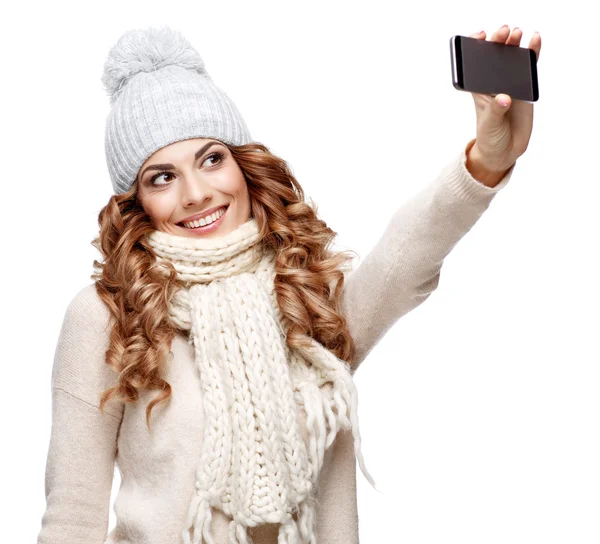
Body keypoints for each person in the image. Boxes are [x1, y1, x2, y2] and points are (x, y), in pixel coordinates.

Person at [37, 24, 542, 544]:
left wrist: (488, 160)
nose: (196, 193)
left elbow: (404, 259)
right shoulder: (108, 314)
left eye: (212, 159)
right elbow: (73, 516)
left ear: (244, 166)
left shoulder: (303, 291)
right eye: (161, 177)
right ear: (135, 203)